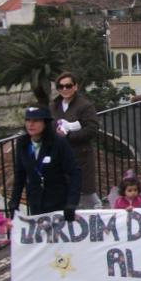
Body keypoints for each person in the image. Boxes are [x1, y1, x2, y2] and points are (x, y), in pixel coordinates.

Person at [8, 106, 86, 281]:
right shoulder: (23, 143)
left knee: (68, 246)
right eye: (28, 120)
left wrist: (71, 203)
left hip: (59, 201)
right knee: (47, 248)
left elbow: (75, 172)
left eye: (36, 121)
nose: (30, 124)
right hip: (38, 204)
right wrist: (14, 202)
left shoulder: (58, 143)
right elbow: (20, 175)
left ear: (45, 123)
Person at [49, 72, 101, 209]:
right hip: (60, 157)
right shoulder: (54, 106)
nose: (65, 89)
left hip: (80, 157)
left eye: (68, 86)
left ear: (75, 87)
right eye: (61, 86)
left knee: (85, 195)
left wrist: (68, 135)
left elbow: (92, 129)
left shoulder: (85, 106)